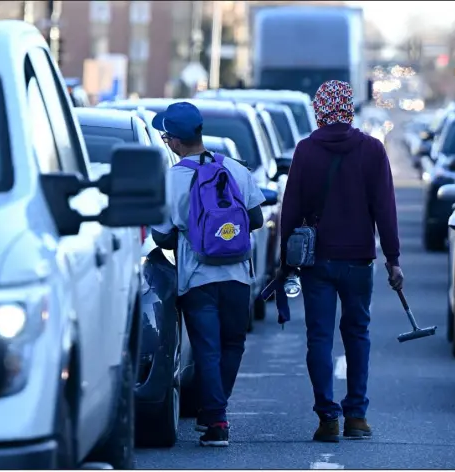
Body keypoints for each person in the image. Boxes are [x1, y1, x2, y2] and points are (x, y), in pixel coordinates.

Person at [279, 80, 403, 443]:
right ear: (349, 108)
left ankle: (327, 417)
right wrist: (393, 259)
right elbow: (385, 209)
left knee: (319, 338)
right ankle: (356, 416)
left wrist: (285, 260)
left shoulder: (305, 151)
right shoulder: (372, 150)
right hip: (359, 259)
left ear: (320, 110)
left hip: (317, 261)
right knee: (358, 334)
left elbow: (291, 209)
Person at [150, 102, 266, 447]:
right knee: (233, 344)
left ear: (174, 141)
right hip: (237, 277)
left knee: (206, 348)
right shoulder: (234, 169)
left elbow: (161, 235)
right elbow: (257, 219)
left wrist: (189, 235)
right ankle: (214, 411)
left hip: (197, 277)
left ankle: (216, 419)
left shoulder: (172, 179)